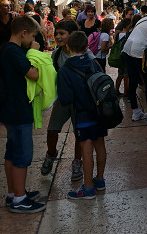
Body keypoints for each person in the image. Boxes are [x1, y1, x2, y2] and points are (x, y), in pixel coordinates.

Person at [0, 15, 46, 213]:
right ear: (23, 33)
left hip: (9, 108)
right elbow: (33, 73)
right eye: (32, 36)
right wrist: (34, 53)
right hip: (18, 109)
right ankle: (20, 199)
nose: (33, 40)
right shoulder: (14, 52)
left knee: (11, 152)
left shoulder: (6, 49)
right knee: (22, 155)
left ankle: (13, 193)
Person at [40, 20, 93, 181]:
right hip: (63, 99)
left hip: (80, 102)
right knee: (52, 129)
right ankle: (51, 154)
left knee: (79, 132)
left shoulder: (86, 54)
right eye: (56, 33)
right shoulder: (56, 54)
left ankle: (77, 161)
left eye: (61, 33)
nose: (57, 36)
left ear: (72, 35)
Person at [58, 31, 108, 200]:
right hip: (99, 113)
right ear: (87, 47)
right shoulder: (93, 63)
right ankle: (100, 180)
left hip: (82, 115)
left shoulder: (65, 70)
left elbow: (65, 98)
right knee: (100, 146)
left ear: (67, 47)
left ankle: (88, 188)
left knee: (86, 151)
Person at [114, 18, 132, 96]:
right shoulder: (128, 35)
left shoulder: (118, 34)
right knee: (126, 75)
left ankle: (116, 90)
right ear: (128, 25)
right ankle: (126, 92)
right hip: (126, 56)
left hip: (119, 57)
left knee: (120, 74)